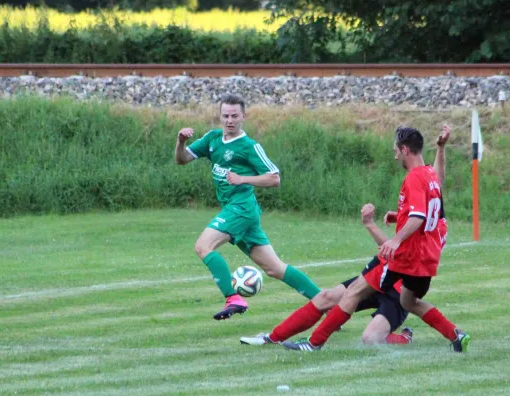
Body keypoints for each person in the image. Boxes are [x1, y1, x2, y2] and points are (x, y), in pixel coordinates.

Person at [241, 125, 453, 348]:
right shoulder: (428, 187)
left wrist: (376, 227)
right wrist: (440, 148)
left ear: (404, 149)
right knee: (327, 298)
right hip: (393, 268)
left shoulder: (419, 194)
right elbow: (434, 183)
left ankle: (316, 344)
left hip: (401, 278)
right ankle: (274, 338)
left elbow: (407, 232)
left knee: (370, 337)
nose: (394, 155)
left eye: (395, 150)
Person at [175, 93, 321, 320]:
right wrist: (181, 141)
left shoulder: (249, 146)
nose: (230, 120)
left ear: (243, 116)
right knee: (275, 269)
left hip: (241, 209)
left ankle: (233, 298)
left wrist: (244, 179)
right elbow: (182, 159)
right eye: (225, 116)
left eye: (234, 115)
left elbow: (274, 178)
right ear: (220, 116)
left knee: (203, 246)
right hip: (237, 211)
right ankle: (326, 303)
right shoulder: (212, 139)